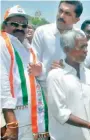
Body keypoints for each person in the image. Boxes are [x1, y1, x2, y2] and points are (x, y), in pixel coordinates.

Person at [47, 30, 90, 140]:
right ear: (67, 49)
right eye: (81, 47)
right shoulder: (55, 76)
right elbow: (61, 113)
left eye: (86, 46)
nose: (86, 51)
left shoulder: (89, 74)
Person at [1, 5, 48, 139]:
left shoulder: (29, 48)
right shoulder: (2, 44)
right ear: (4, 26)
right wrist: (11, 123)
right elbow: (3, 85)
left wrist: (40, 72)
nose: (20, 28)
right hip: (14, 116)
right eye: (14, 24)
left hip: (32, 116)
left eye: (23, 25)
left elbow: (40, 76)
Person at [31, 0, 84, 94]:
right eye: (60, 11)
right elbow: (34, 63)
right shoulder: (42, 32)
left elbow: (82, 65)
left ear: (76, 20)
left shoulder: (80, 35)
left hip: (71, 92)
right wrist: (50, 73)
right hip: (45, 90)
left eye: (67, 13)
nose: (61, 16)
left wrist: (67, 69)